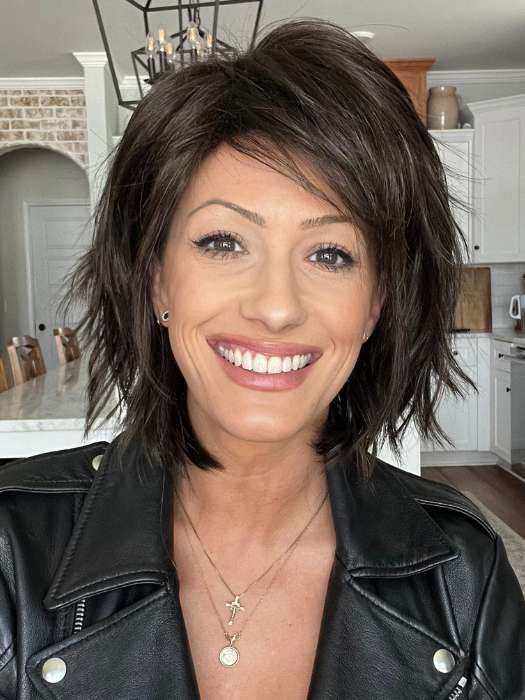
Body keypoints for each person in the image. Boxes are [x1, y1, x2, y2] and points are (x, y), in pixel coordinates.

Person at [0, 16, 524, 700]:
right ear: (158, 280)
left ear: (374, 304)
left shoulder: (464, 574)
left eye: (330, 254)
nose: (276, 307)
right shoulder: (12, 549)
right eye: (223, 242)